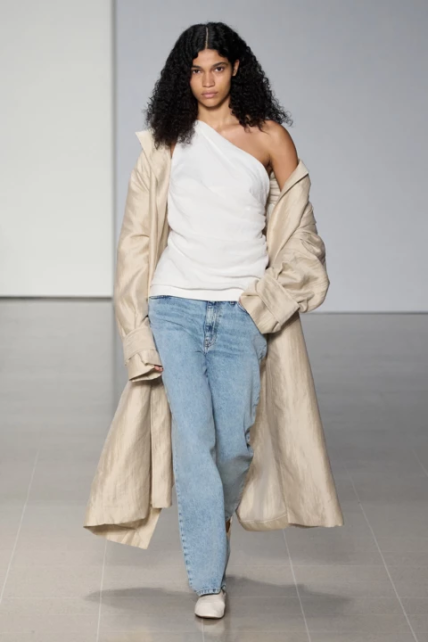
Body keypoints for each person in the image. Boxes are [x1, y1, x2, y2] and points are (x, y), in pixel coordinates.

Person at [143, 21, 298, 619]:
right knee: (194, 440)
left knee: (233, 448)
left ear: (236, 70)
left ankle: (214, 523)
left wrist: (280, 296)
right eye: (195, 70)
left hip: (241, 310)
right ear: (182, 77)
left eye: (217, 68)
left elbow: (299, 232)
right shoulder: (166, 140)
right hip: (175, 304)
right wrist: (135, 326)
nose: (207, 81)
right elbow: (138, 237)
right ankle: (209, 580)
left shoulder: (270, 138)